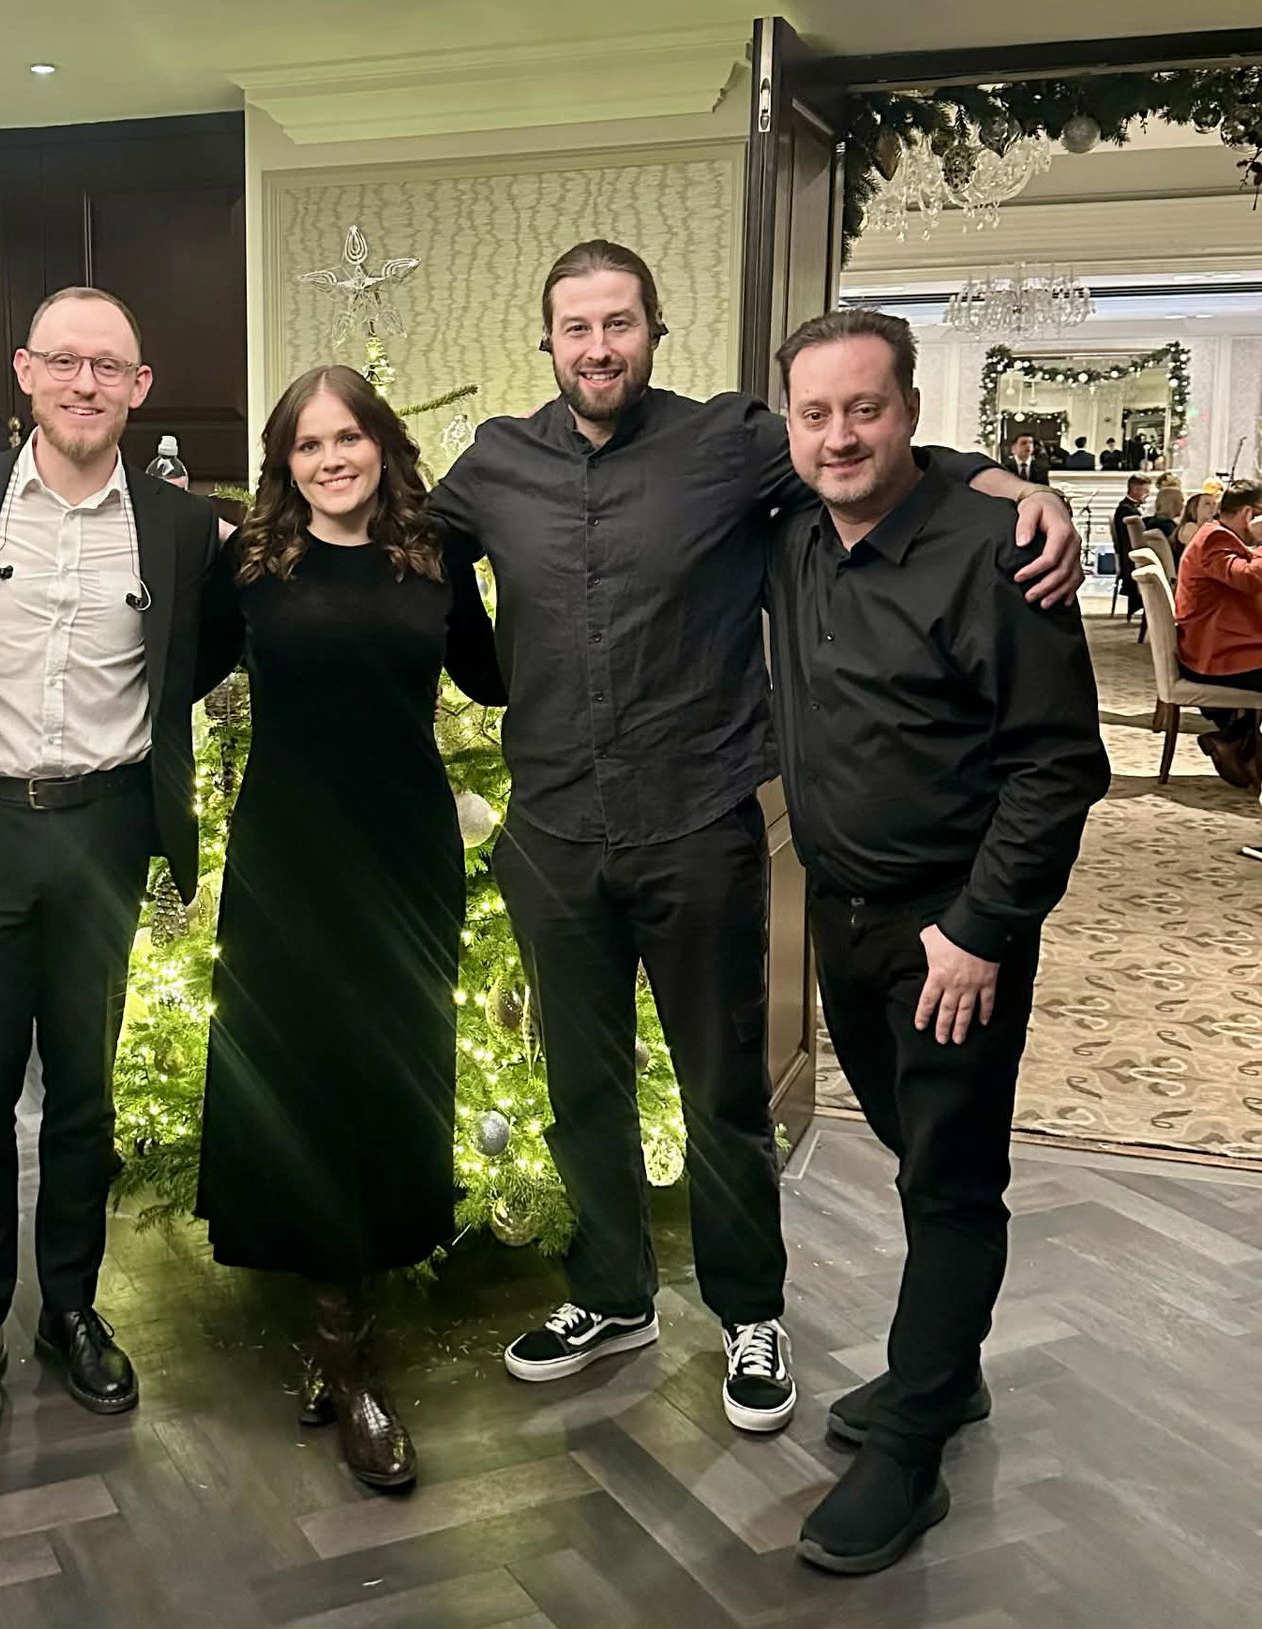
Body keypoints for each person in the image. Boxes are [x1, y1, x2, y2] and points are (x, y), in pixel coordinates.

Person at [426, 239, 1082, 1434]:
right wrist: (481, 666)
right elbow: (420, 556)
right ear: (549, 342)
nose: (599, 347)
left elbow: (868, 452)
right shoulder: (494, 463)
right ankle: (612, 1295)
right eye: (577, 327)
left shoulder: (732, 442)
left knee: (723, 1092)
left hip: (699, 825)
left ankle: (748, 1314)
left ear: (654, 331)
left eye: (620, 323)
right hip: (553, 829)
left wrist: (1011, 484)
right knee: (580, 1087)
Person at [766, 308, 1108, 1574]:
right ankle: (947, 1370)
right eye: (816, 413)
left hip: (951, 935)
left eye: (867, 409)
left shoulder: (995, 553)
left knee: (952, 1179)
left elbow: (1060, 765)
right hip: (841, 919)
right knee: (914, 1149)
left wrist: (980, 929)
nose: (840, 435)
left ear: (910, 411)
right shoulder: (791, 533)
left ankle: (912, 1448)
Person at [0, 287, 219, 1442]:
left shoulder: (183, 527)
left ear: (140, 387)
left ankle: (72, 1308)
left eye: (110, 367)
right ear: (25, 371)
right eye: (65, 362)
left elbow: (197, 660)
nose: (87, 384)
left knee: (86, 1096)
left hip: (106, 833)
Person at [190, 365, 503, 1490]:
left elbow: (493, 677)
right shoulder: (251, 562)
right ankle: (342, 1352)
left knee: (388, 1079)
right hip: (286, 863)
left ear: (383, 445)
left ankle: (351, 1332)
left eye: (349, 438)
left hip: (407, 859)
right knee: (300, 1081)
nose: (331, 459)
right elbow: (175, 672)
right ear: (287, 462)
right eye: (309, 445)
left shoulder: (433, 558)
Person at [1175, 481, 1262, 783]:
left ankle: (1233, 740)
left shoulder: (1218, 534)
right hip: (1215, 655)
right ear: (1250, 514)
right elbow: (1249, 578)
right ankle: (1235, 741)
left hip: (1222, 645)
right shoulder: (1215, 538)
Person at [1113, 475, 1152, 613]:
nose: (1148, 495)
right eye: (1146, 491)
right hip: (1130, 560)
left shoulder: (1127, 508)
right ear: (1135, 489)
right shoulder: (1127, 511)